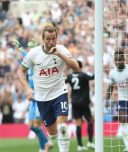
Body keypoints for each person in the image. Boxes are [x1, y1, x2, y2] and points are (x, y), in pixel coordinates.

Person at [17, 24, 80, 152]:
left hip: (59, 93)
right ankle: (52, 140)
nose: (51, 42)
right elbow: (20, 71)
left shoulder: (61, 49)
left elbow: (76, 67)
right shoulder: (33, 54)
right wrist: (28, 89)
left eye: (53, 39)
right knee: (53, 133)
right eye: (48, 39)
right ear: (43, 39)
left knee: (62, 127)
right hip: (42, 98)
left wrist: (60, 54)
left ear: (57, 38)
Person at [13, 39, 53, 152]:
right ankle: (45, 145)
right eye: (29, 46)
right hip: (32, 99)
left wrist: (20, 48)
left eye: (32, 46)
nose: (30, 49)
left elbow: (27, 55)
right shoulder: (29, 62)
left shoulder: (38, 59)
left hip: (40, 97)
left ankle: (44, 146)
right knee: (31, 126)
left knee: (36, 124)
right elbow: (26, 57)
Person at [65, 60, 95, 151]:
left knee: (78, 123)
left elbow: (63, 81)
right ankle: (90, 142)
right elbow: (93, 76)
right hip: (84, 102)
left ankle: (80, 145)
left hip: (74, 103)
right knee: (90, 120)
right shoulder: (84, 75)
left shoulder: (69, 77)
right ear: (80, 67)